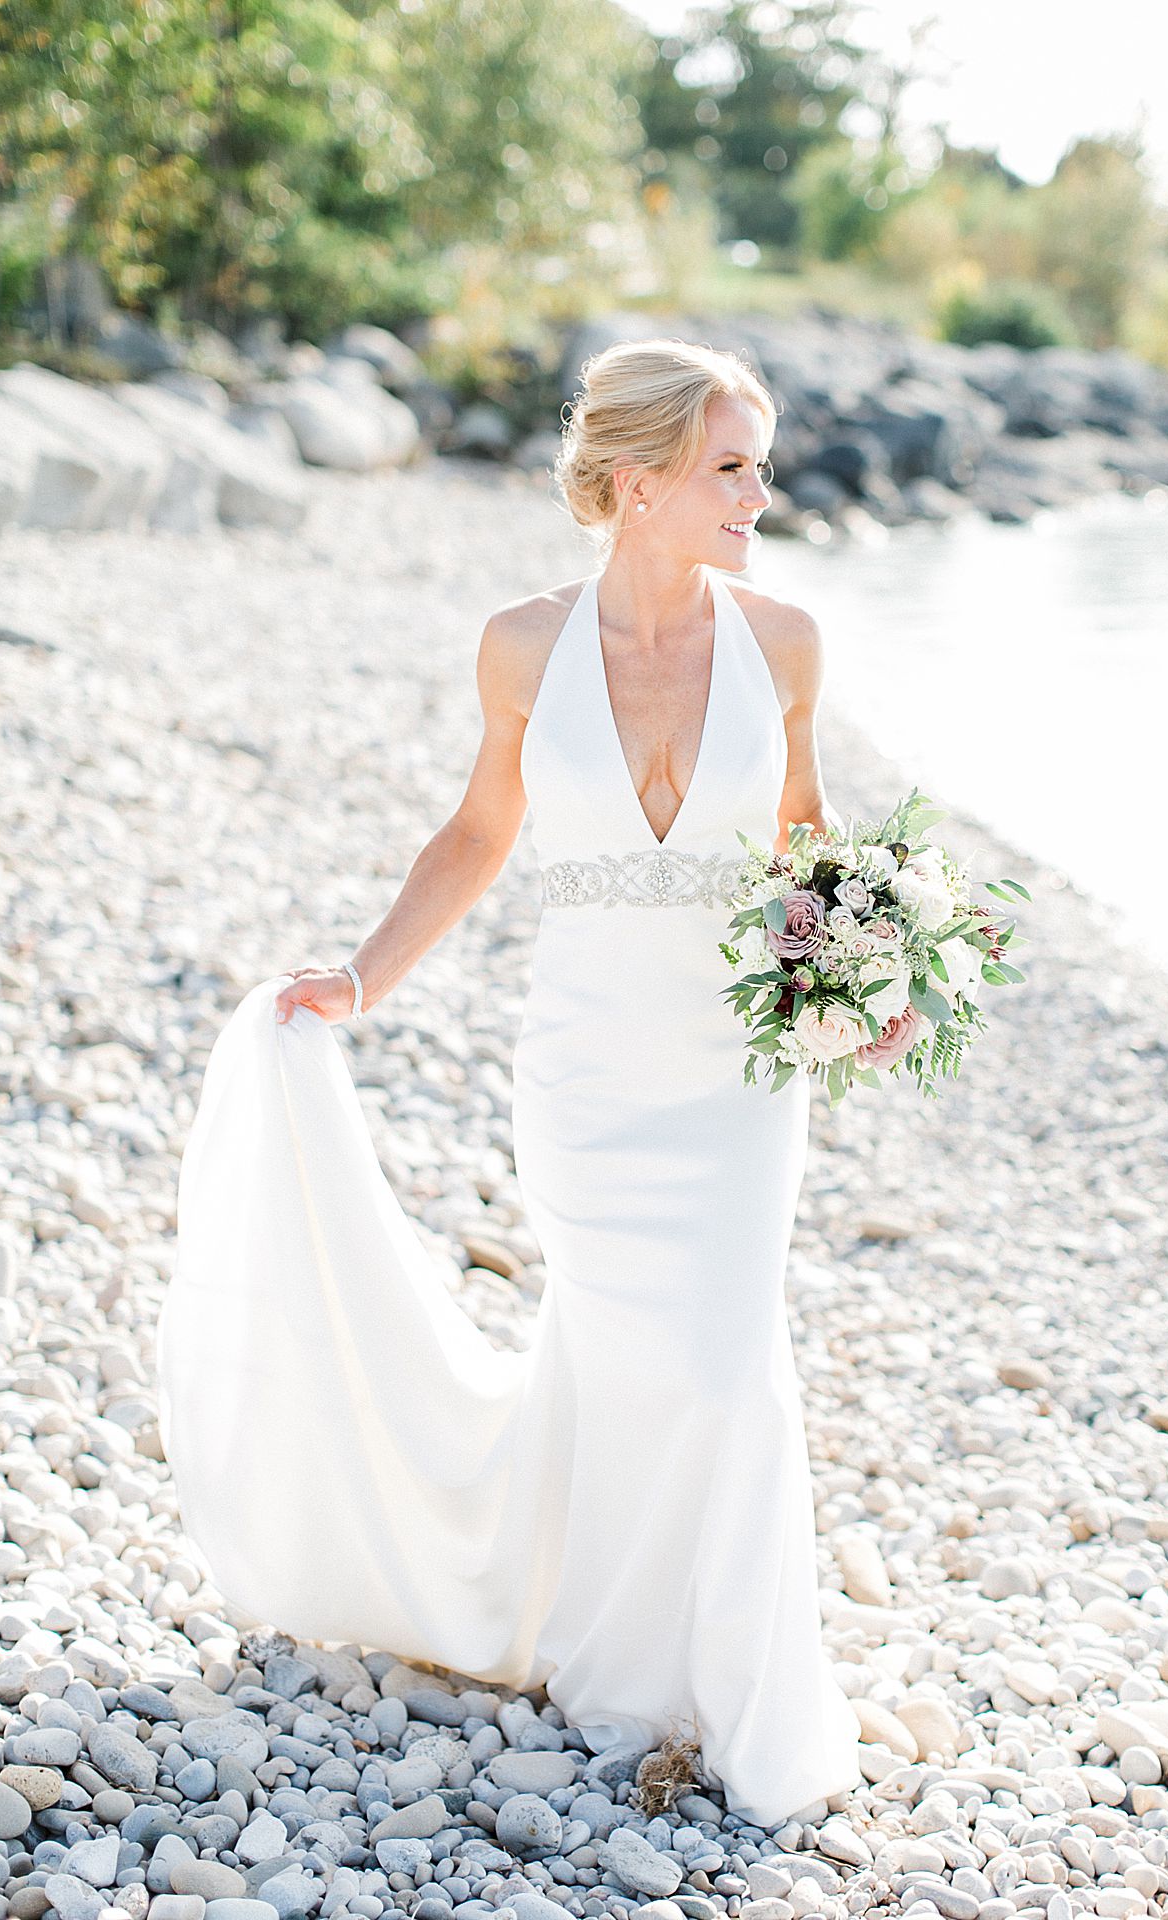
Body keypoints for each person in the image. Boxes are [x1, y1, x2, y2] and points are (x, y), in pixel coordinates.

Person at [155, 338, 864, 1830]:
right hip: (590, 1079)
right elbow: (479, 835)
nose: (760, 489)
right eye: (732, 465)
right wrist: (359, 976)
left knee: (728, 1363)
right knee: (623, 1361)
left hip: (735, 1078)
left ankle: (737, 1691)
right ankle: (614, 1656)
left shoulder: (788, 642)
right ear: (638, 482)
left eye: (758, 461)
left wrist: (862, 978)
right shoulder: (523, 647)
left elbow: (806, 843)